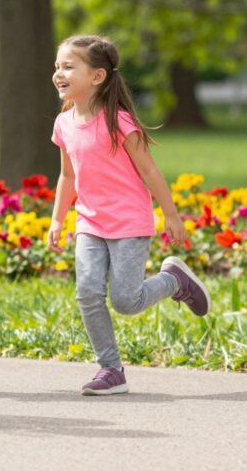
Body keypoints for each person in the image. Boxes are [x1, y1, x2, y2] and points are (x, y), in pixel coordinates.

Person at [47, 34, 210, 396]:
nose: (59, 73)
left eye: (68, 66)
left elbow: (150, 172)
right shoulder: (64, 123)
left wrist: (171, 215)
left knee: (126, 301)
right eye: (57, 66)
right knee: (87, 293)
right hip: (89, 222)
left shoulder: (117, 122)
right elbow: (67, 175)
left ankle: (174, 281)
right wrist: (58, 218)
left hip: (129, 224)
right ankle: (111, 369)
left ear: (97, 77)